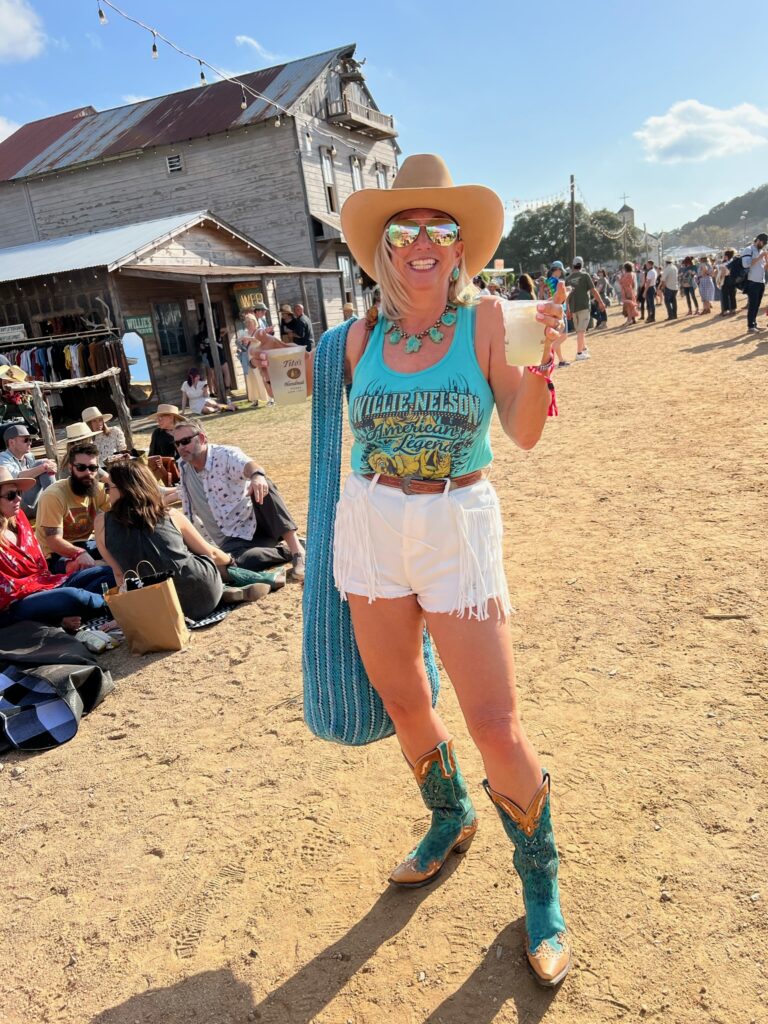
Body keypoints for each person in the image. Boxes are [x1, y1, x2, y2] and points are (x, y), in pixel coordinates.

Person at [281, 154, 571, 986]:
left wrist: (543, 369)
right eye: (404, 229)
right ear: (383, 248)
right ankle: (451, 815)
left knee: (494, 722)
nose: (422, 243)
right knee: (403, 696)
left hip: (455, 519)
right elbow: (309, 403)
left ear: (459, 248)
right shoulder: (355, 339)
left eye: (439, 230)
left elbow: (522, 433)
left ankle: (541, 884)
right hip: (370, 522)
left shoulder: (494, 322)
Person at [94, 460, 270, 620]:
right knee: (192, 552)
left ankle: (225, 589)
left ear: (124, 489)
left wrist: (130, 613)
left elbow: (120, 574)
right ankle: (232, 584)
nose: (107, 493)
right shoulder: (168, 514)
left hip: (161, 608)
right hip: (204, 593)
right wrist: (230, 562)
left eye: (109, 487)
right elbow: (211, 553)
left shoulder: (101, 523)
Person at [172, 419, 305, 579]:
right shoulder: (184, 467)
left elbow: (249, 465)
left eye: (185, 441)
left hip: (257, 523)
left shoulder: (224, 455)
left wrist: (257, 475)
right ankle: (286, 551)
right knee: (232, 566)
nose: (181, 447)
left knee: (264, 484)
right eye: (177, 443)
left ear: (201, 438)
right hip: (232, 541)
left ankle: (298, 552)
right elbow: (185, 502)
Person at [0, 468, 113, 628]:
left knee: (107, 572)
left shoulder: (18, 519)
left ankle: (72, 613)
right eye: (11, 495)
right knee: (73, 597)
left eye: (19, 493)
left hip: (44, 582)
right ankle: (115, 603)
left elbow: (39, 567)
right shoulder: (53, 496)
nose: (19, 498)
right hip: (16, 603)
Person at [35, 442, 110, 573]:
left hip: (87, 543)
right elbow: (53, 540)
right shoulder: (54, 495)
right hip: (56, 553)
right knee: (89, 569)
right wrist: (79, 553)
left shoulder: (99, 489)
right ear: (70, 468)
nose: (88, 473)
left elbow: (119, 516)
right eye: (81, 468)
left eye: (92, 468)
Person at [0, 424, 56, 516]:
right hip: (15, 505)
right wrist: (43, 467)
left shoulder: (29, 456)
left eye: (30, 439)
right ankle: (55, 504)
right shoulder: (2, 459)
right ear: (11, 442)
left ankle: (55, 502)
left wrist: (47, 465)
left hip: (31, 502)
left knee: (44, 463)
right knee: (42, 464)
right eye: (26, 440)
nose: (30, 443)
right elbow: (15, 477)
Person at [566, 256, 605, 360]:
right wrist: (601, 302)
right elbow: (593, 290)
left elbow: (567, 296)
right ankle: (579, 353)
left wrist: (567, 310)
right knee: (581, 331)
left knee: (579, 330)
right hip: (584, 306)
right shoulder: (585, 276)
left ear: (573, 265)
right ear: (582, 265)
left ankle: (583, 348)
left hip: (573, 308)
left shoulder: (568, 279)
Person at [741, 232, 768, 332]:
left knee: (757, 304)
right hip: (752, 281)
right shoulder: (748, 249)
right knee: (752, 304)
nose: (763, 245)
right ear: (758, 240)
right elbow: (746, 264)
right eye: (763, 243)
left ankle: (754, 324)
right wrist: (761, 257)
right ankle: (750, 326)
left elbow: (762, 268)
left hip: (761, 281)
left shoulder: (761, 251)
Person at [718, 249, 737, 316]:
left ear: (726, 256)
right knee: (732, 295)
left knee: (725, 295)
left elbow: (723, 273)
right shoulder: (733, 262)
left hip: (726, 279)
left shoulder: (724, 264)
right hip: (733, 279)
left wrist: (720, 280)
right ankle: (733, 309)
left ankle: (726, 310)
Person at [618, 261, 638, 326]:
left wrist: (620, 278)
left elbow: (621, 282)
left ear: (626, 268)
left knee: (629, 306)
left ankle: (629, 320)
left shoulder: (628, 274)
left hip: (627, 291)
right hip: (628, 290)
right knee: (628, 306)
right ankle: (629, 320)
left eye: (624, 267)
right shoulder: (631, 274)